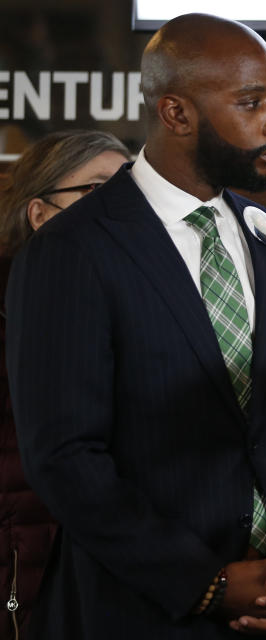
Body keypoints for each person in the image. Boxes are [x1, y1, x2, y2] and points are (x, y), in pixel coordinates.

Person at [6, 14, 266, 639]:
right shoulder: (72, 250)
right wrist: (203, 583)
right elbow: (65, 458)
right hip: (140, 612)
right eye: (250, 102)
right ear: (176, 114)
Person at [0, 129, 128, 639]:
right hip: (27, 572)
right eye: (97, 191)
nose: (122, 209)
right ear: (40, 214)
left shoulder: (146, 307)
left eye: (130, 192)